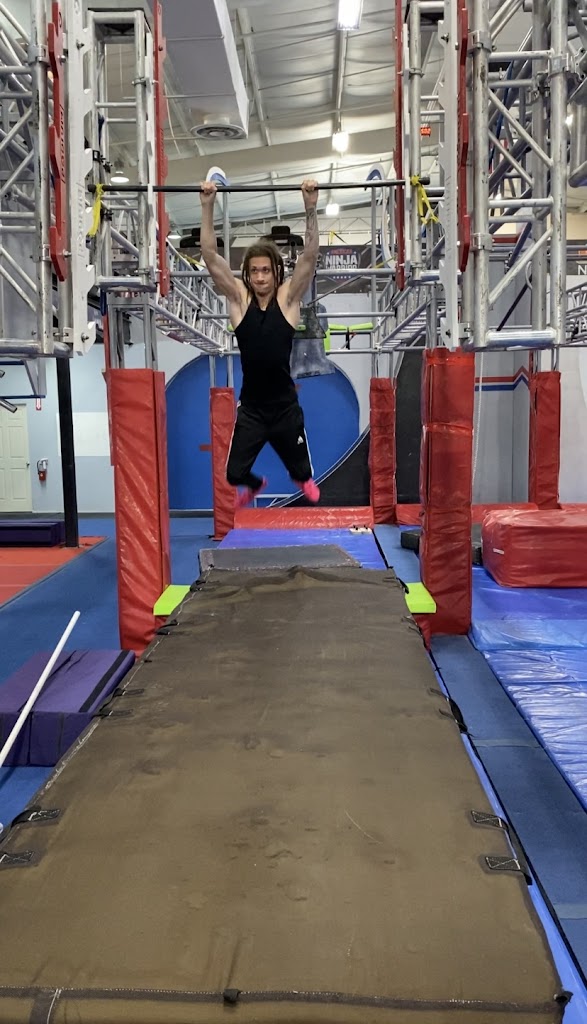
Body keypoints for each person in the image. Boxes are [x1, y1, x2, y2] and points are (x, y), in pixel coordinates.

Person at [199, 178, 321, 507]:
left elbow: (310, 256)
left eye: (266, 270)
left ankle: (302, 476)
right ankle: (256, 484)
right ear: (248, 274)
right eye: (254, 271)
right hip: (252, 409)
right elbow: (209, 255)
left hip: (285, 408)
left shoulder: (288, 299)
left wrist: (310, 206)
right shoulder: (239, 300)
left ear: (276, 271)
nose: (260, 277)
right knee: (234, 474)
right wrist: (207, 205)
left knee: (303, 473)